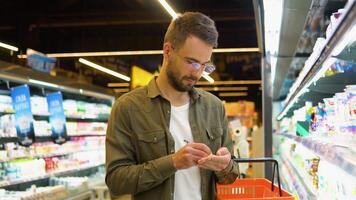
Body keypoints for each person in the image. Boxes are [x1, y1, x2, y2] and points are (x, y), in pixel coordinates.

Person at [105, 12, 239, 200]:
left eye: (204, 65)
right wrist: (173, 162)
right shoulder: (127, 108)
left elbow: (232, 175)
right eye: (191, 62)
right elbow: (116, 181)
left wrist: (225, 166)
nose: (197, 73)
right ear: (168, 51)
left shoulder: (214, 107)